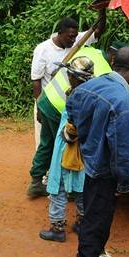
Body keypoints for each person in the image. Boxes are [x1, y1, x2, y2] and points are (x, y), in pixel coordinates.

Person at [66, 47, 129, 257]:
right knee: (97, 222)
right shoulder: (123, 102)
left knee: (92, 215)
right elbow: (123, 149)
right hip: (106, 172)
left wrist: (87, 137)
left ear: (113, 62)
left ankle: (94, 252)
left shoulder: (90, 85)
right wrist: (124, 183)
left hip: (91, 165)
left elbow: (72, 108)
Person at [27, 45, 112, 198]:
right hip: (59, 108)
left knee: (46, 143)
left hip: (46, 99)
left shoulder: (86, 51)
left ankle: (36, 181)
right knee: (65, 147)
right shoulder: (104, 72)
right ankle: (65, 187)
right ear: (112, 60)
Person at [30, 11, 106, 151]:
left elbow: (98, 30)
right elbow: (36, 81)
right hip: (47, 102)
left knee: (64, 141)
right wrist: (40, 107)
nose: (73, 40)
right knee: (44, 142)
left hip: (68, 103)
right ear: (60, 33)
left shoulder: (77, 40)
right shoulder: (43, 50)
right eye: (70, 37)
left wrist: (102, 11)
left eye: (75, 37)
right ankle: (41, 172)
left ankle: (56, 171)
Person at [39, 56, 94, 242]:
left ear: (76, 77)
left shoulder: (77, 97)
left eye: (70, 74)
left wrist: (68, 134)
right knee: (81, 187)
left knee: (58, 186)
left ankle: (57, 228)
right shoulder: (90, 95)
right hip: (84, 151)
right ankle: (82, 223)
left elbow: (72, 131)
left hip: (67, 148)